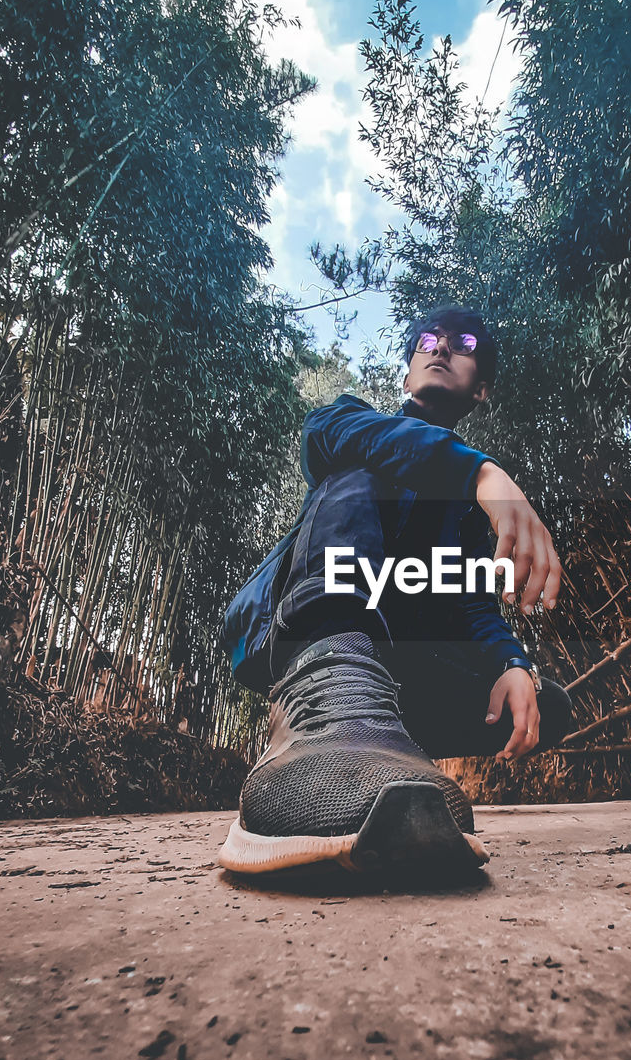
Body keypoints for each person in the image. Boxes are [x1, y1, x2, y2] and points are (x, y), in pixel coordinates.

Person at [219, 306, 573, 876]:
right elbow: (331, 434)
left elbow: (472, 606)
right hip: (288, 629)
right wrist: (483, 473)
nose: (440, 348)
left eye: (463, 343)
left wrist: (511, 662)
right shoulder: (353, 423)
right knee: (361, 469)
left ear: (480, 389)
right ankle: (327, 712)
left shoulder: (462, 510)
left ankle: (379, 736)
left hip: (401, 661)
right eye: (427, 341)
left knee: (545, 702)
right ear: (407, 375)